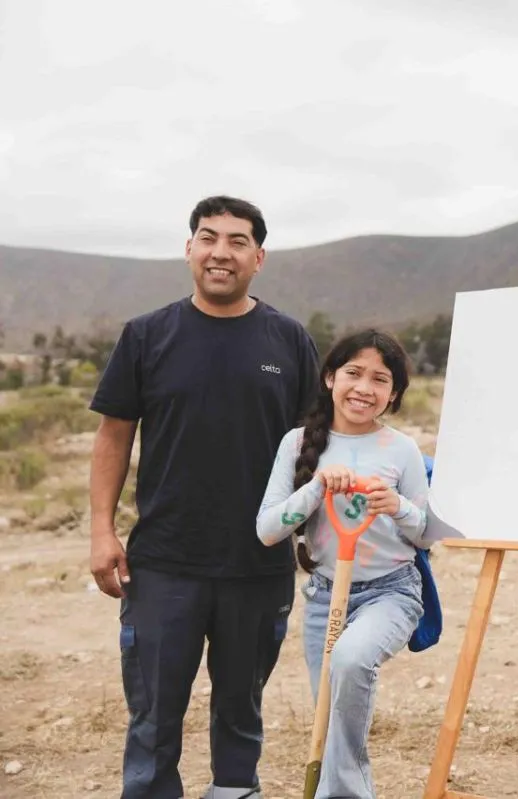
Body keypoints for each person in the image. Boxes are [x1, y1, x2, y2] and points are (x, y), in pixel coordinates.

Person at [88, 195, 320, 799]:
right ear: (189, 248)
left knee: (240, 713)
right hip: (164, 561)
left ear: (259, 257)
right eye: (208, 237)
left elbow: (316, 445)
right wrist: (101, 530)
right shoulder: (147, 335)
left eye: (237, 241)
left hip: (259, 562)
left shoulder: (290, 340)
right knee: (154, 717)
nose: (221, 252)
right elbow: (114, 437)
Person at [256, 329, 432, 799]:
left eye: (380, 379)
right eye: (353, 373)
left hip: (392, 591)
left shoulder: (402, 450)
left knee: (351, 661)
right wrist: (315, 488)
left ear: (393, 394)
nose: (364, 388)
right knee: (328, 717)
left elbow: (426, 532)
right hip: (323, 598)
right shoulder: (297, 444)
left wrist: (396, 505)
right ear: (331, 377)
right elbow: (268, 529)